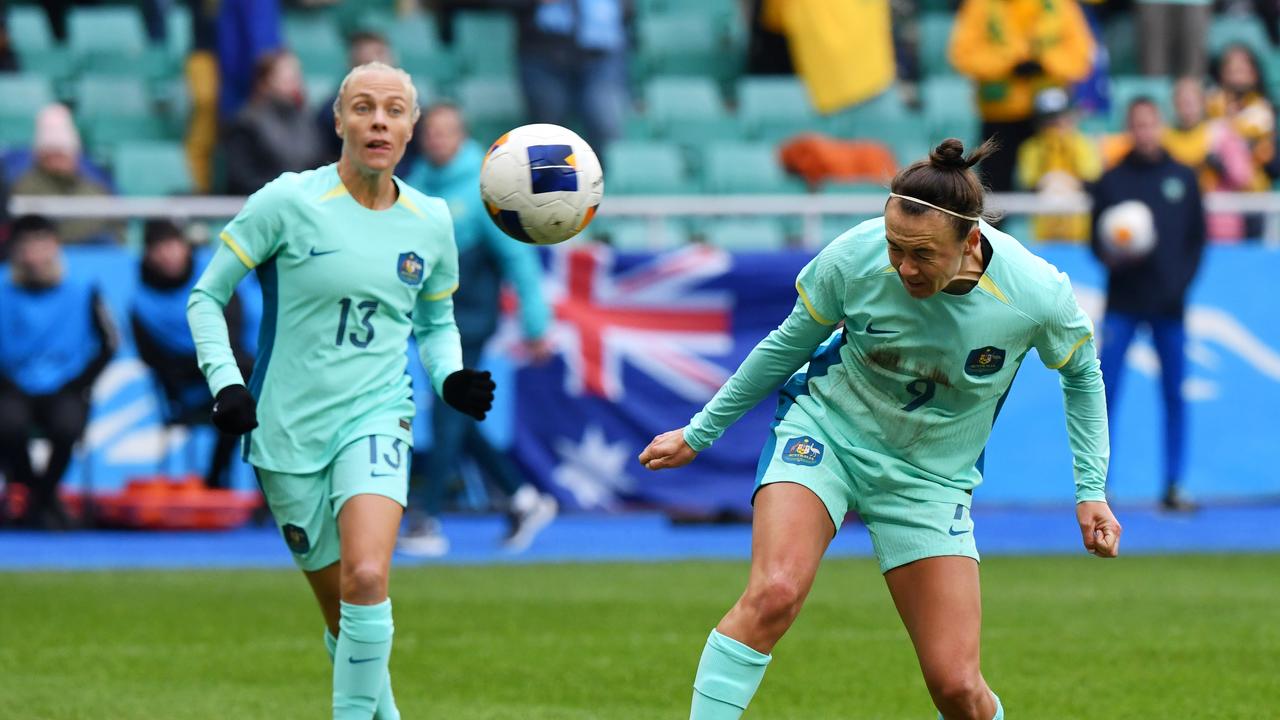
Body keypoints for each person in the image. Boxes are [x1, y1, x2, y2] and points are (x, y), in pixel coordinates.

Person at [639, 138, 1122, 720]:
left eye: (921, 254)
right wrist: (700, 432)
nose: (903, 267)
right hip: (827, 436)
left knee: (958, 687)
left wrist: (1091, 490)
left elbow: (1082, 376)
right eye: (895, 246)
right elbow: (781, 349)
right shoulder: (854, 258)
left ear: (970, 241)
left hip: (929, 479)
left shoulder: (1036, 294)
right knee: (774, 594)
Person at [187, 61, 494, 719]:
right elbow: (206, 297)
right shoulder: (287, 203)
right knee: (344, 615)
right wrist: (228, 384)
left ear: (410, 127)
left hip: (379, 414)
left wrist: (450, 377)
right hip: (286, 432)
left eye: (392, 109)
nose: (378, 120)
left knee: (367, 578)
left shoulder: (431, 220)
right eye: (362, 107)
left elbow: (436, 322)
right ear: (338, 121)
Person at [399, 102, 557, 557]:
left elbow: (518, 260)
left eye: (446, 131)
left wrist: (535, 323)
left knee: (449, 405)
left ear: (462, 135)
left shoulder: (487, 187)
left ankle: (425, 517)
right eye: (431, 131)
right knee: (458, 411)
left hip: (469, 315)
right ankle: (524, 499)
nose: (437, 139)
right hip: (429, 315)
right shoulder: (417, 183)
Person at [1090, 98, 1205, 513]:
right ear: (1129, 129)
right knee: (1105, 394)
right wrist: (1114, 254)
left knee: (1174, 393)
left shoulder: (1183, 177)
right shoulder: (1111, 180)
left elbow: (1197, 242)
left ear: (1161, 126)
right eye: (1137, 125)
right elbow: (1095, 244)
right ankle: (1100, 488)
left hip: (1170, 306)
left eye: (1151, 124)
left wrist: (1179, 286)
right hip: (1123, 301)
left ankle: (1175, 484)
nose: (1145, 132)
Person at [0, 215, 118, 529]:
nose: (34, 255)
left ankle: (37, 498)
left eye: (41, 245)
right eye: (26, 247)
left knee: (67, 426)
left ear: (55, 247)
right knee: (7, 424)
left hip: (65, 385)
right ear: (16, 251)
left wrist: (80, 384)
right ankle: (43, 498)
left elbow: (109, 343)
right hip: (12, 385)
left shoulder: (83, 289)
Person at [132, 219, 253, 489]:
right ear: (148, 254)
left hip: (230, 367)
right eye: (159, 248)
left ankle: (240, 483)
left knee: (251, 387)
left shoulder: (214, 277)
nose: (168, 254)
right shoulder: (141, 303)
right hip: (187, 386)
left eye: (173, 245)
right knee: (243, 394)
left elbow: (233, 329)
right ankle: (215, 479)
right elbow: (152, 357)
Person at [948, 0, 1094, 192]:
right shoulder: (980, 5)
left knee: (1053, 187)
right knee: (995, 193)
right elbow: (963, 55)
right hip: (1000, 116)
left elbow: (1081, 57)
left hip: (1049, 119)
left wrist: (1044, 63)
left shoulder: (1060, 5)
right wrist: (1009, 63)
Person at [12, 104, 120, 244]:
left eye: (64, 153)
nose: (59, 160)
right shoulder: (24, 187)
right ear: (40, 156)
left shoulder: (93, 187)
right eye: (53, 153)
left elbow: (116, 224)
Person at [223, 50, 325, 195]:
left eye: (296, 76)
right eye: (286, 78)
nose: (295, 83)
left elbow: (319, 165)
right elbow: (242, 180)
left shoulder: (308, 119)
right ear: (263, 83)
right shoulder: (245, 123)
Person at [1015, 87, 1102, 243]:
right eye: (1049, 119)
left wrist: (1067, 145)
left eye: (1059, 117)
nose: (1055, 124)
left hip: (1080, 234)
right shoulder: (1030, 148)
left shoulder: (1083, 144)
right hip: (1043, 235)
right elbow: (1030, 185)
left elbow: (1091, 180)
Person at [317, 30, 394, 164]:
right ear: (352, 65)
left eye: (381, 59)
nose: (377, 70)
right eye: (368, 63)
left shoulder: (409, 106)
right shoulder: (332, 111)